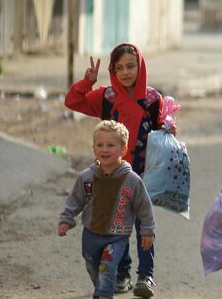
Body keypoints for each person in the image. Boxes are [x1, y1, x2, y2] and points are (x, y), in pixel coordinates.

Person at [65, 43, 172, 298]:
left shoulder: (152, 99)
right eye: (119, 68)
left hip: (143, 175)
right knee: (118, 225)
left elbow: (163, 132)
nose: (125, 72)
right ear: (112, 70)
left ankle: (145, 276)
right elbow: (73, 101)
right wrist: (87, 82)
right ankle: (121, 274)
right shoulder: (106, 97)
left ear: (140, 66)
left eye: (131, 66)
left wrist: (170, 125)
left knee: (144, 224)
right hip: (112, 175)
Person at [58, 120, 155, 299]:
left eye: (111, 145)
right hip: (91, 233)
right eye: (100, 145)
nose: (105, 149)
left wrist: (147, 231)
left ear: (123, 149)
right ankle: (102, 287)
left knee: (107, 268)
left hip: (117, 235)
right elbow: (75, 200)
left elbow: (144, 208)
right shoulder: (86, 177)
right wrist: (66, 219)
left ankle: (103, 294)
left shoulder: (132, 180)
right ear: (94, 149)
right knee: (94, 266)